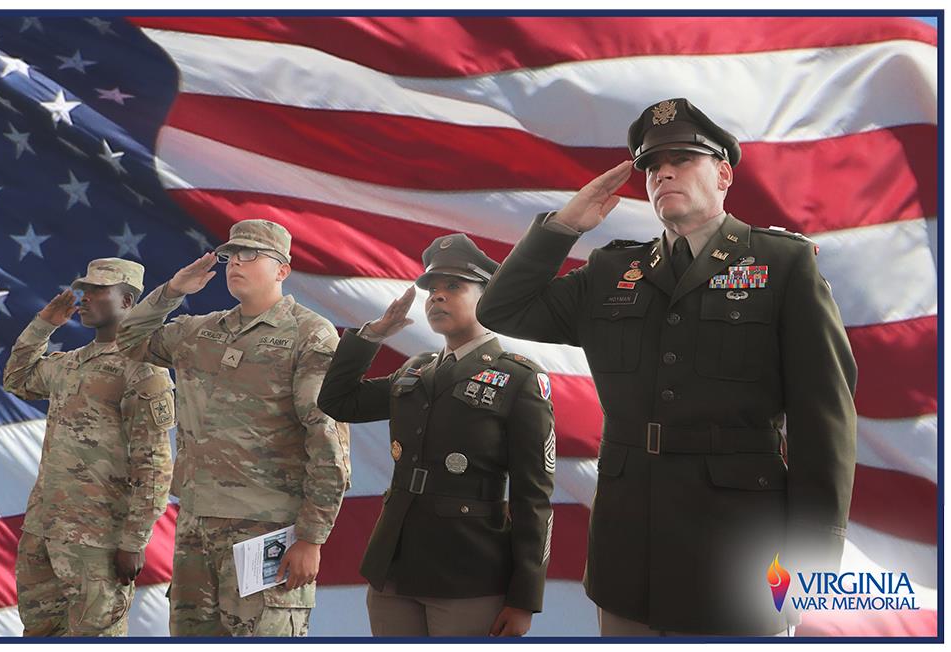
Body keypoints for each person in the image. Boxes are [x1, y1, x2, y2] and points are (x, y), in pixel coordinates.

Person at [476, 98, 857, 636]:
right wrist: (564, 226)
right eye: (652, 165)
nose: (664, 172)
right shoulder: (612, 270)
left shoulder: (781, 264)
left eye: (683, 157)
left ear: (724, 173)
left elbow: (825, 423)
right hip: (630, 552)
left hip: (740, 551)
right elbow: (499, 308)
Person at [115, 219, 350, 637]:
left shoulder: (310, 335)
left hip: (267, 528)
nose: (234, 263)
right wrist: (173, 291)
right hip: (196, 526)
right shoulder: (199, 331)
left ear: (282, 270)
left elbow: (327, 443)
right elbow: (130, 339)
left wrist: (312, 537)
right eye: (229, 255)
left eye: (249, 254)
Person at [318, 234, 555, 637]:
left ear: (489, 297)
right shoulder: (417, 370)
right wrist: (373, 335)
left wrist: (523, 598)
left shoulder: (519, 378)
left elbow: (533, 498)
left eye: (454, 287)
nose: (437, 297)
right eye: (432, 289)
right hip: (393, 567)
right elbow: (339, 401)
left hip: (467, 571)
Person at [3, 257, 175, 637]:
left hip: (99, 540)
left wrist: (134, 540)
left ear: (128, 302)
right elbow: (17, 378)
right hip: (45, 530)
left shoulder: (143, 370)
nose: (85, 298)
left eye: (99, 291)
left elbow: (155, 463)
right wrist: (44, 324)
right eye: (86, 289)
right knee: (40, 634)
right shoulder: (70, 364)